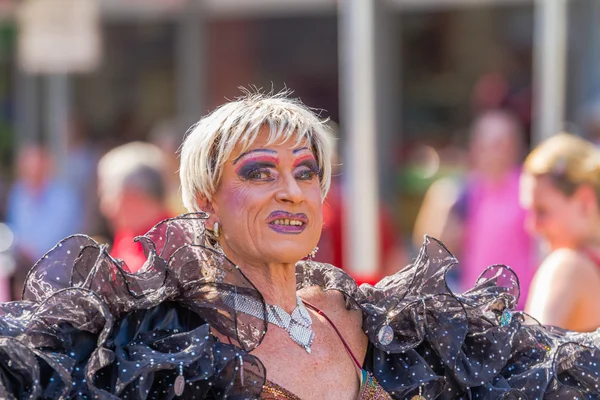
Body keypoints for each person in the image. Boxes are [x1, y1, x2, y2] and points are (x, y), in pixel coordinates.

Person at [0, 92, 600, 399]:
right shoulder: (155, 340)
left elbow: (552, 369)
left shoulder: (377, 321)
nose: (291, 191)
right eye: (259, 172)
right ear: (205, 199)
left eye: (307, 172)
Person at [431, 110, 535, 309]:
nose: (488, 153)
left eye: (497, 145)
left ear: (515, 147)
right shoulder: (467, 190)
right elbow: (441, 245)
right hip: (475, 307)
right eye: (482, 145)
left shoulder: (528, 188)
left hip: (518, 309)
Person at [522, 133, 600, 331]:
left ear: (584, 201)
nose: (532, 226)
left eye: (542, 211)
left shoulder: (565, 266)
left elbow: (533, 357)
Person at [97, 141, 173, 272]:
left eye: (109, 194)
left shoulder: (174, 242)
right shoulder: (126, 236)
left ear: (133, 193)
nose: (105, 208)